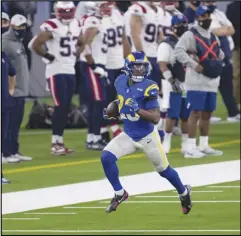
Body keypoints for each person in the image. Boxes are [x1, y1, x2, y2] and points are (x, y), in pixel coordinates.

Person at [101, 51, 192, 214]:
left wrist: (136, 109)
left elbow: (156, 118)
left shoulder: (149, 86)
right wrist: (113, 110)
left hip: (147, 137)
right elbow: (121, 101)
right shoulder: (120, 81)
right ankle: (120, 193)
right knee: (106, 157)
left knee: (164, 171)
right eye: (136, 66)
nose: (140, 70)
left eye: (143, 66)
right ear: (128, 67)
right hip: (129, 134)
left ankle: (184, 192)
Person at [31, 1, 84, 155]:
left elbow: (81, 42)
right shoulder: (51, 25)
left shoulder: (75, 24)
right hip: (56, 71)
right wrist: (48, 56)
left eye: (69, 11)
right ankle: (55, 144)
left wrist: (77, 52)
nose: (67, 15)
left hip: (69, 70)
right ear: (57, 11)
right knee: (60, 106)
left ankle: (59, 142)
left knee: (66, 107)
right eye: (64, 11)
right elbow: (36, 45)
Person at [174, 6, 224, 158]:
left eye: (208, 15)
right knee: (194, 113)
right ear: (198, 18)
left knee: (207, 113)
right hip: (196, 81)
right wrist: (193, 64)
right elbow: (178, 51)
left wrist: (216, 65)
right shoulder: (190, 34)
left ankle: (204, 145)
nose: (207, 18)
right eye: (203, 16)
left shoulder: (213, 36)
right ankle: (190, 148)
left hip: (211, 82)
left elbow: (220, 54)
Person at [79, 2, 111, 150]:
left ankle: (92, 138)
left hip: (99, 65)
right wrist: (93, 66)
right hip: (93, 66)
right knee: (98, 102)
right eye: (103, 5)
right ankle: (94, 138)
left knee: (96, 103)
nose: (107, 8)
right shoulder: (92, 21)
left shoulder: (100, 21)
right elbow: (84, 44)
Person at [157, 14, 189, 154]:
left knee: (186, 114)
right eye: (179, 25)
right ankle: (166, 141)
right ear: (173, 27)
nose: (182, 28)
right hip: (172, 82)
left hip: (187, 81)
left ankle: (186, 143)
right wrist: (171, 80)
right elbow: (163, 65)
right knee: (172, 113)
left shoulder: (189, 42)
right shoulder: (166, 44)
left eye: (184, 25)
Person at [2, 14, 32, 162]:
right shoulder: (5, 43)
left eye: (23, 26)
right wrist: (8, 88)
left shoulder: (18, 42)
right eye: (18, 27)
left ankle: (13, 150)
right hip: (12, 91)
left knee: (16, 123)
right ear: (12, 27)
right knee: (9, 124)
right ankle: (5, 153)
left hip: (21, 89)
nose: (21, 29)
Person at [102, 1, 131, 143]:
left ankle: (108, 129)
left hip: (118, 62)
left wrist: (128, 58)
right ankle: (112, 128)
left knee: (118, 97)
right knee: (106, 99)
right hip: (104, 63)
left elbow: (124, 38)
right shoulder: (95, 17)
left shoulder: (118, 14)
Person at [2, 51, 16, 183]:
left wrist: (10, 91)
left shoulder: (4, 56)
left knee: (2, 137)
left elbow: (13, 73)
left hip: (4, 104)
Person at [226, 1, 240, 106]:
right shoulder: (231, 7)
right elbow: (228, 27)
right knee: (236, 74)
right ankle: (236, 102)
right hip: (236, 46)